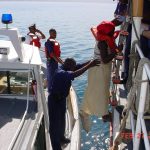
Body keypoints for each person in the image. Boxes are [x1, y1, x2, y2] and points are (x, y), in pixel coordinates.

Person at [48, 58, 100, 150]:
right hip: (54, 101)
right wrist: (89, 66)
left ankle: (61, 138)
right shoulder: (60, 73)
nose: (74, 68)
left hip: (61, 99)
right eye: (72, 67)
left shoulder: (67, 67)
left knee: (62, 120)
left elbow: (78, 67)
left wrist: (90, 61)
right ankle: (56, 147)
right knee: (55, 125)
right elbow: (75, 73)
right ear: (68, 66)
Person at [80, 21, 123, 132]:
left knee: (101, 91)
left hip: (100, 70)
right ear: (106, 33)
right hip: (99, 70)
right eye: (112, 31)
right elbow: (105, 59)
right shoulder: (103, 43)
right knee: (100, 92)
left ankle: (104, 113)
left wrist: (119, 33)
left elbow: (111, 36)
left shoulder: (103, 38)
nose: (113, 32)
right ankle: (102, 114)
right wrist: (117, 51)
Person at [45, 29, 63, 93]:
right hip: (51, 62)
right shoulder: (49, 42)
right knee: (51, 77)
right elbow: (52, 54)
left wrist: (62, 61)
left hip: (55, 61)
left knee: (53, 75)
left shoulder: (54, 41)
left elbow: (56, 55)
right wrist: (60, 62)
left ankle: (53, 89)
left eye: (55, 33)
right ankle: (51, 92)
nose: (55, 34)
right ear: (50, 34)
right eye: (53, 33)